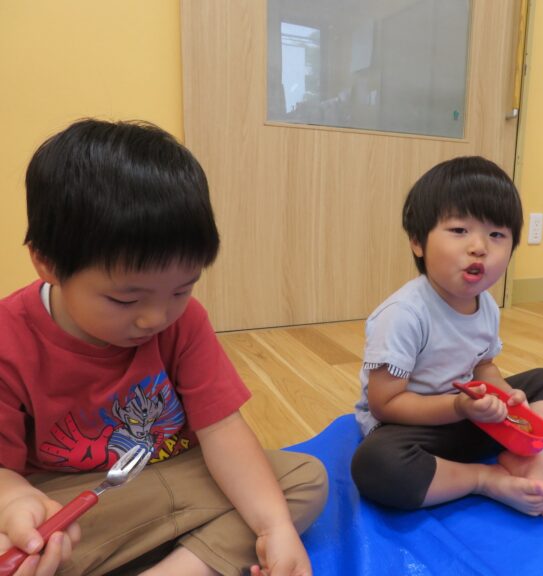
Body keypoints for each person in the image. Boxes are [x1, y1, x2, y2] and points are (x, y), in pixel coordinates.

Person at [0, 119, 328, 576]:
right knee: (25, 548)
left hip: (182, 476)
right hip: (78, 507)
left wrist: (274, 527)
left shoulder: (185, 322)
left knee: (302, 479)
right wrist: (15, 501)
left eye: (182, 289)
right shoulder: (8, 339)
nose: (155, 318)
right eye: (125, 298)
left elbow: (223, 432)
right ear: (47, 262)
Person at [350, 156, 543, 517]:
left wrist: (505, 399)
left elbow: (483, 366)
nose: (479, 246)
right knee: (377, 464)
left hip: (468, 415)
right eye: (459, 230)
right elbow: (384, 404)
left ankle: (529, 455)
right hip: (412, 429)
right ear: (418, 242)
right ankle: (486, 478)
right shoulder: (404, 313)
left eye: (496, 235)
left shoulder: (486, 307)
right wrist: (458, 407)